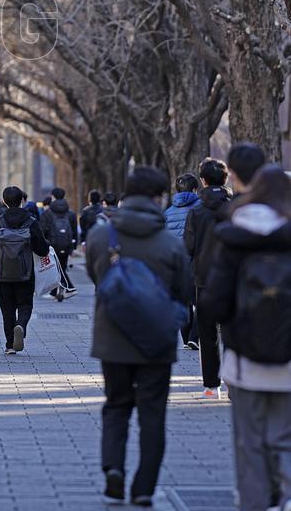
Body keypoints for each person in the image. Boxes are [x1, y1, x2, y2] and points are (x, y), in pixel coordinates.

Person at [86, 166, 192, 507]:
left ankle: (113, 470)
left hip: (112, 337)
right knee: (152, 415)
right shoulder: (170, 242)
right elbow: (184, 291)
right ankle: (144, 486)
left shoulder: (103, 237)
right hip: (157, 342)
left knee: (116, 407)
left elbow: (96, 276)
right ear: (158, 197)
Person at [202, 165, 291, 511]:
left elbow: (213, 303)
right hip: (288, 360)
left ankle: (254, 504)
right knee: (285, 437)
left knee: (249, 441)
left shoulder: (232, 236)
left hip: (243, 361)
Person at [184, 157, 233, 397]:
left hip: (203, 278)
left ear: (202, 181)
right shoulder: (235, 208)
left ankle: (212, 385)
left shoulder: (196, 211)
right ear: (226, 179)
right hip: (234, 278)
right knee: (234, 331)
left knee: (206, 332)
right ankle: (236, 382)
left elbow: (188, 246)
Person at [0, 185, 49, 355]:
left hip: (2, 272)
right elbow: (42, 249)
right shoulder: (31, 222)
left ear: (4, 201)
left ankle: (10, 345)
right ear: (22, 200)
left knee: (7, 309)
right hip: (25, 272)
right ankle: (21, 324)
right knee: (25, 304)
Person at [165, 173, 200, 349]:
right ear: (195, 189)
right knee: (200, 301)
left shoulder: (168, 212)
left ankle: (186, 338)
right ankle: (195, 337)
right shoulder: (200, 208)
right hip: (196, 262)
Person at [40, 186, 78, 299]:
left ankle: (69, 288)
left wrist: (43, 245)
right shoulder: (71, 213)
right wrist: (73, 247)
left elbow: (42, 230)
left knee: (56, 268)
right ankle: (57, 292)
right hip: (67, 245)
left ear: (53, 197)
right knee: (62, 267)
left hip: (52, 244)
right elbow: (74, 230)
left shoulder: (47, 213)